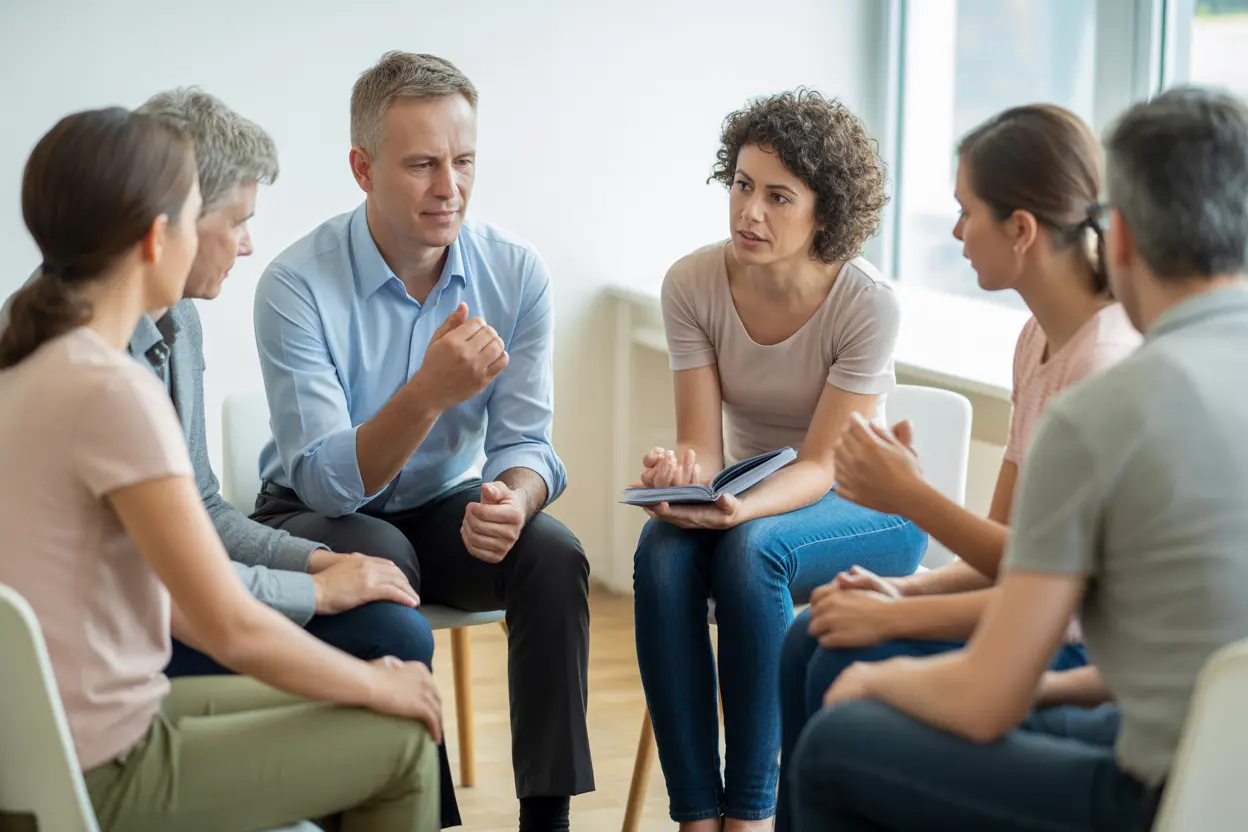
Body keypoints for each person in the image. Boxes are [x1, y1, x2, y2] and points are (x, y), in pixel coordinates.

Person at [788, 86, 1248, 832]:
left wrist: (888, 668)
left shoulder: (1105, 405)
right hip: (1198, 754)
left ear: (1120, 237)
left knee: (840, 739)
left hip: (1167, 793)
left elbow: (987, 696)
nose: (960, 229)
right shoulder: (1056, 354)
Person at [0, 88, 461, 825]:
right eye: (217, 219)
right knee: (401, 734)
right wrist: (376, 684)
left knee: (385, 695)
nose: (245, 243)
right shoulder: (111, 391)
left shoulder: (30, 356)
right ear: (158, 237)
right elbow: (218, 620)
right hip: (104, 761)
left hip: (49, 737)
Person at [250, 51, 592, 831]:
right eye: (423, 165)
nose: (450, 189)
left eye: (464, 161)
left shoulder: (514, 271)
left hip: (442, 503)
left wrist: (514, 497)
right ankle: (424, 817)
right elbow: (333, 487)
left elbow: (527, 442)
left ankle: (549, 819)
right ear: (363, 167)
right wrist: (428, 392)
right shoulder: (296, 284)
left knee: (551, 552)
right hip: (311, 513)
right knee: (381, 555)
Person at [631, 89, 928, 832]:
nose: (748, 212)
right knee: (662, 547)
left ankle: (754, 813)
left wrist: (736, 507)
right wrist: (684, 475)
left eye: (777, 196)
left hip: (870, 508)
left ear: (824, 212)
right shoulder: (692, 284)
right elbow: (702, 441)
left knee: (752, 550)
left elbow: (826, 463)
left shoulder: (867, 306)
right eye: (740, 185)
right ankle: (698, 813)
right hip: (757, 501)